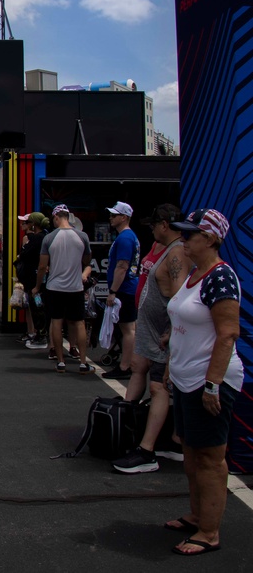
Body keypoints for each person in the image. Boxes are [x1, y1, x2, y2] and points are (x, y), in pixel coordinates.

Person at [159, 208, 242, 555]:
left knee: (209, 458)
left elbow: (227, 334)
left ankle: (209, 532)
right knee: (192, 454)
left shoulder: (220, 278)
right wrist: (170, 367)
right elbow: (183, 327)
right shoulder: (196, 275)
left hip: (209, 382)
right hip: (185, 378)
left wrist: (212, 385)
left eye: (189, 236)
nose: (183, 241)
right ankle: (198, 515)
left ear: (209, 239)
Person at [113, 204, 189, 473]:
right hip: (152, 330)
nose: (152, 229)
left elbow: (180, 298)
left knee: (159, 388)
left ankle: (147, 452)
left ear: (165, 225)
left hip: (163, 335)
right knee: (142, 372)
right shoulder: (164, 249)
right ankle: (160, 438)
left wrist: (171, 331)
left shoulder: (177, 251)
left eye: (154, 225)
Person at [33, 205, 92, 375]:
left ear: (57, 217)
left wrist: (37, 286)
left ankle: (60, 361)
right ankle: (82, 363)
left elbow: (42, 266)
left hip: (55, 287)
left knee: (56, 322)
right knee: (79, 323)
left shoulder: (49, 238)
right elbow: (87, 260)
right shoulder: (82, 236)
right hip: (75, 287)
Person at [102, 201, 140, 380]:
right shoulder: (127, 237)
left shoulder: (125, 238)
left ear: (124, 217)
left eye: (114, 215)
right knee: (128, 328)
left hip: (124, 289)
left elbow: (122, 266)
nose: (110, 218)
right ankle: (127, 363)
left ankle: (125, 366)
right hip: (127, 287)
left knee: (127, 329)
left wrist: (113, 291)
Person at [16, 212, 50, 349]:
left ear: (34, 224)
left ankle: (41, 335)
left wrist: (36, 285)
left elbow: (25, 255)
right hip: (34, 278)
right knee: (35, 306)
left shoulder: (37, 239)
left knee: (37, 306)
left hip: (36, 280)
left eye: (28, 222)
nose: (26, 225)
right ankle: (38, 334)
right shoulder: (44, 237)